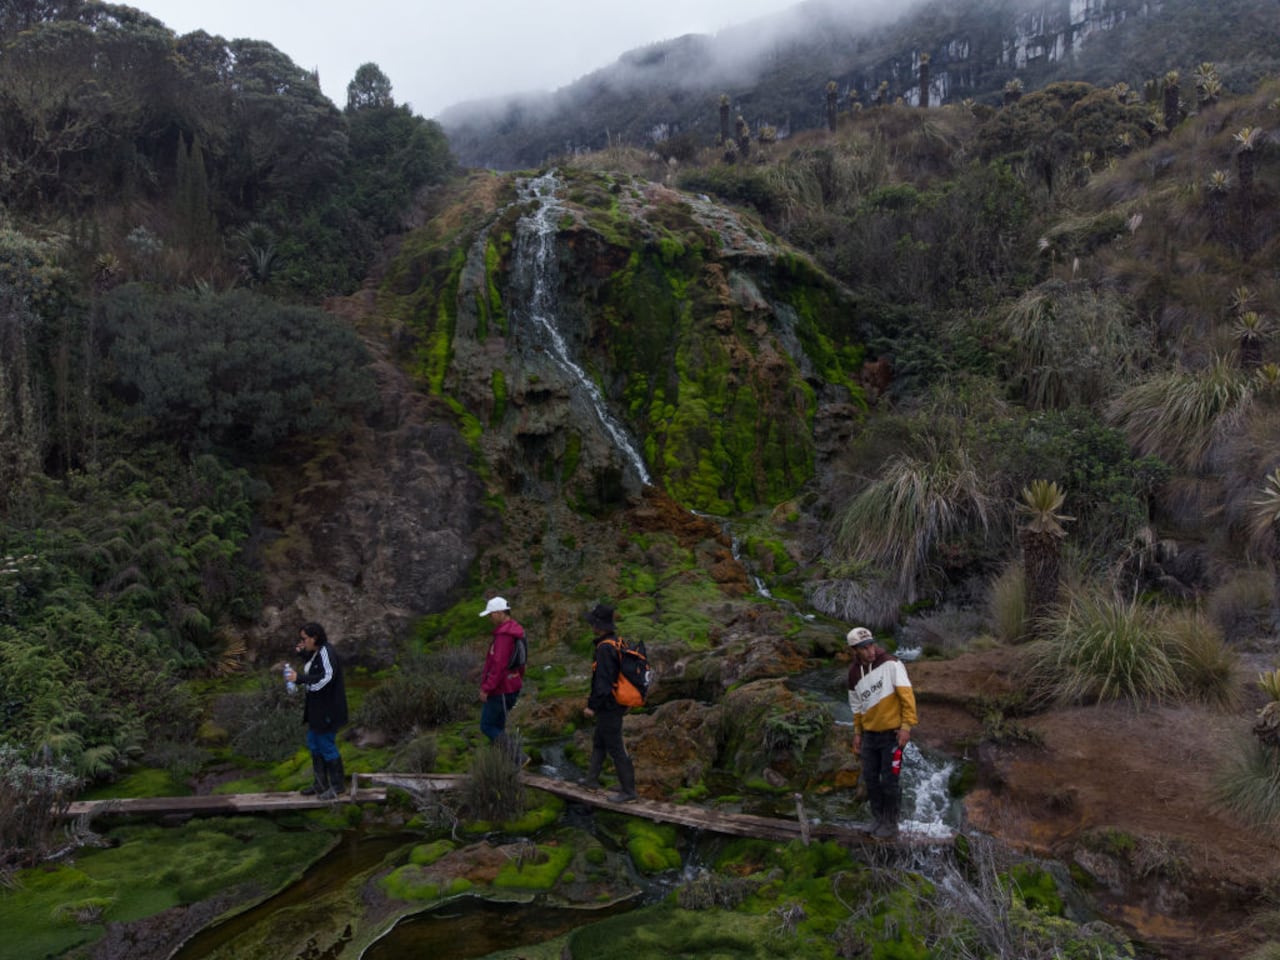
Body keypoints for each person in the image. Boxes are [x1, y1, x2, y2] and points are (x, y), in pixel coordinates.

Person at [847, 626, 917, 840]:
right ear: (854, 650)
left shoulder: (891, 664)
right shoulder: (853, 675)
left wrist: (906, 726)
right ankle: (877, 819)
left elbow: (907, 697)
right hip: (869, 735)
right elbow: (857, 707)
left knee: (890, 780)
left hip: (892, 735)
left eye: (871, 645)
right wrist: (857, 733)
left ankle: (891, 823)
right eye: (863, 648)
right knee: (870, 778)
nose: (870, 651)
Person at [284, 622, 349, 800]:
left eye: (305, 639)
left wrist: (300, 679)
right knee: (314, 742)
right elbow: (315, 666)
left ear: (315, 638)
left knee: (326, 744)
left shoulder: (327, 651)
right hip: (317, 708)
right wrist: (303, 653)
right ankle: (320, 784)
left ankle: (337, 786)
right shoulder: (318, 652)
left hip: (328, 708)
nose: (303, 641)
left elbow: (327, 676)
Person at [582, 603, 638, 803]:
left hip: (610, 705)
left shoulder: (605, 649)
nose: (591, 627)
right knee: (600, 741)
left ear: (599, 626)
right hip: (616, 702)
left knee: (615, 747)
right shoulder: (616, 642)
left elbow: (603, 684)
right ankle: (591, 780)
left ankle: (629, 791)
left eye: (593, 623)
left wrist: (592, 706)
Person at [478, 596, 526, 749]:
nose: (490, 618)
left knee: (487, 726)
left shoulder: (504, 636)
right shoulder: (516, 631)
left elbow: (498, 665)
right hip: (512, 686)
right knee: (498, 727)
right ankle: (504, 763)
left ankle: (517, 756)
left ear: (499, 613)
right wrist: (518, 680)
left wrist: (486, 688)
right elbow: (522, 662)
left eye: (491, 614)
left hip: (501, 690)